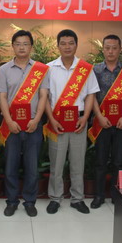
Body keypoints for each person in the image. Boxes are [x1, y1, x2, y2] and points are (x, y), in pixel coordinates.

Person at [44, 29, 99, 214]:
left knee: (77, 163)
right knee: (56, 163)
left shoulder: (86, 68)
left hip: (78, 121)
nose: (67, 47)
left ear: (76, 45)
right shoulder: (49, 68)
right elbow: (45, 97)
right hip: (56, 120)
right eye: (63, 43)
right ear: (58, 45)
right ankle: (55, 198)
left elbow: (91, 94)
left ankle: (77, 199)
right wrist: (51, 119)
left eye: (71, 43)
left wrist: (85, 117)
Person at [0, 30, 49, 217]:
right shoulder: (4, 70)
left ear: (31, 47)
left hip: (33, 125)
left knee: (31, 167)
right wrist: (9, 121)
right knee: (10, 167)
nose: (21, 47)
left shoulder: (41, 69)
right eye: (18, 44)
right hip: (11, 126)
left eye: (25, 44)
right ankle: (11, 201)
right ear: (12, 46)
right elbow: (2, 97)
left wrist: (36, 120)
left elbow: (43, 96)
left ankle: (29, 201)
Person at [88, 34, 122, 208]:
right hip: (101, 122)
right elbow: (92, 95)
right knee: (100, 161)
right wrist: (99, 116)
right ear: (103, 49)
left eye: (114, 48)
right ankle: (99, 196)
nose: (110, 51)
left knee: (119, 161)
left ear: (120, 50)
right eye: (107, 48)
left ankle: (117, 196)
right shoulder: (95, 70)